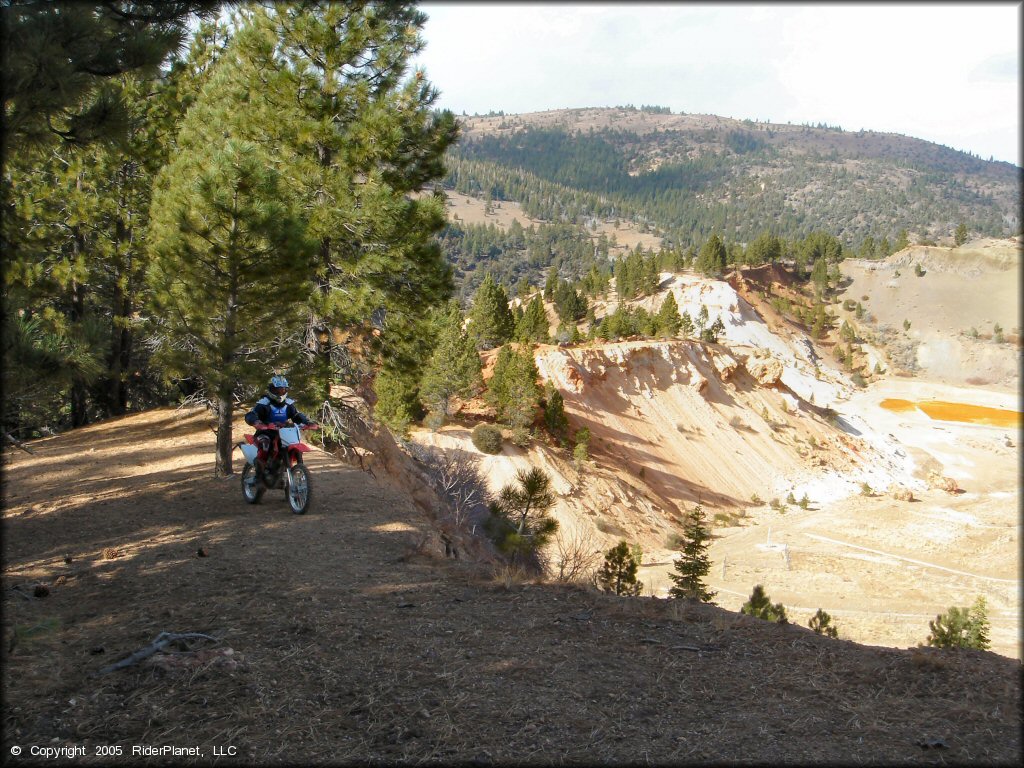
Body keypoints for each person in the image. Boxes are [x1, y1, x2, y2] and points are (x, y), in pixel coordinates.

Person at [244, 375, 315, 473]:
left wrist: (307, 422)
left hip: (284, 432)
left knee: (293, 443)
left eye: (282, 390)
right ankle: (259, 472)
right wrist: (257, 422)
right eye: (277, 390)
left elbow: (296, 415)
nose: (279, 393)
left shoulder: (288, 404)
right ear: (270, 389)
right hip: (266, 432)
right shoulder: (264, 403)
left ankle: (297, 471)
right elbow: (251, 414)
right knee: (265, 444)